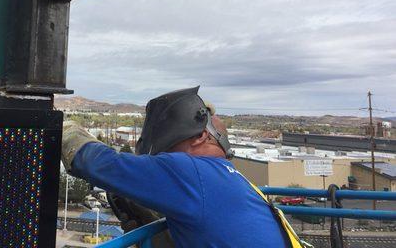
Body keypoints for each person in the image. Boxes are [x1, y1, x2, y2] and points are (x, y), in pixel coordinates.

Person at [62, 86, 305, 248]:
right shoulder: (231, 177)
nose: (162, 161)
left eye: (164, 155)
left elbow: (95, 162)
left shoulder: (191, 171)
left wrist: (63, 126)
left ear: (200, 137)